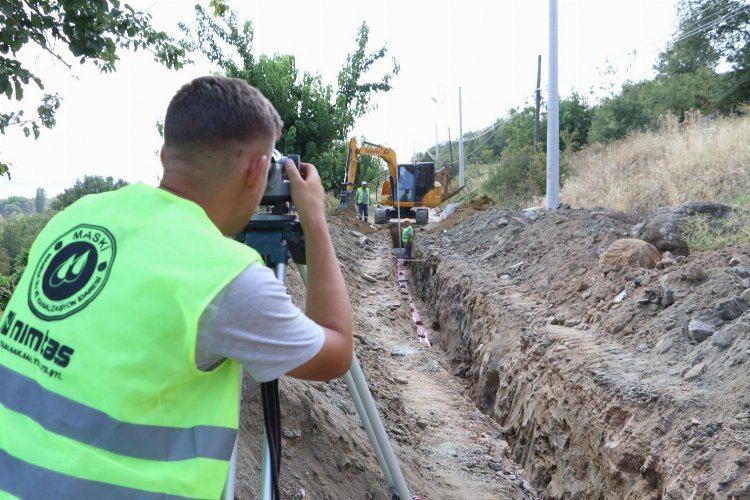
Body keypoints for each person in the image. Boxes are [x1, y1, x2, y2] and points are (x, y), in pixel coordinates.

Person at [0, 76, 353, 499]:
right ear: (259, 170)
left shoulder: (78, 217)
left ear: (165, 154)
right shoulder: (223, 276)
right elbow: (337, 352)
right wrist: (314, 219)